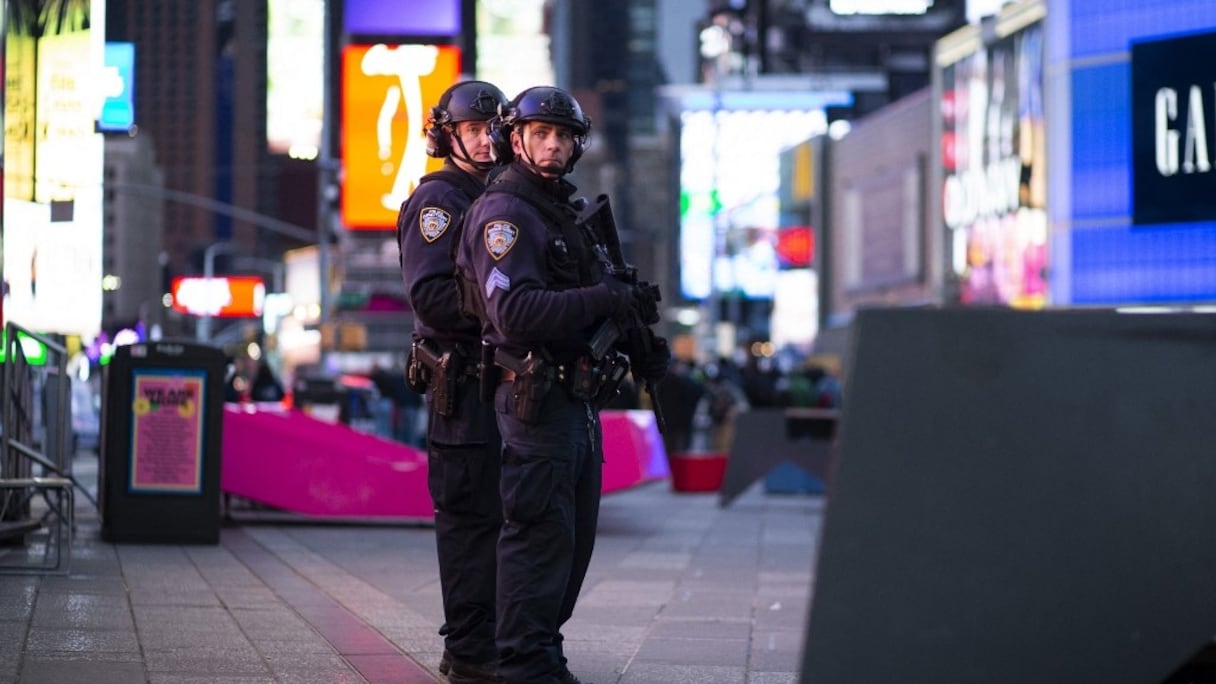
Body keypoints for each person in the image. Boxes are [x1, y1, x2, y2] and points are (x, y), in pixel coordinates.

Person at [455, 85, 670, 684]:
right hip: (535, 402)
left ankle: (541, 652)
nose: (552, 146)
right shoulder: (506, 214)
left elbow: (593, 300)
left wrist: (634, 330)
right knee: (540, 540)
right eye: (541, 135)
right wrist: (603, 296)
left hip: (574, 401)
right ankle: (527, 665)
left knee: (570, 546)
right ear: (514, 139)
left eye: (563, 137)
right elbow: (515, 313)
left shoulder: (558, 211)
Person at [397, 79, 509, 684]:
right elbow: (432, 297)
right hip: (462, 388)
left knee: (507, 521)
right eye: (474, 130)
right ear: (449, 135)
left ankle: (499, 644)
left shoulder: (502, 197)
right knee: (470, 525)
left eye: (496, 130)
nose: (489, 141)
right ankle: (469, 653)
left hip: (505, 390)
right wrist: (511, 307)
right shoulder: (443, 200)